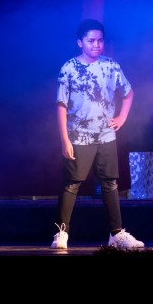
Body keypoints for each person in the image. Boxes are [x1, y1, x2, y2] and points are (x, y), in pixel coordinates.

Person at [50, 19, 144, 250]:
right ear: (80, 42)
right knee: (72, 184)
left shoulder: (111, 66)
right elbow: (61, 105)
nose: (96, 45)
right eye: (91, 40)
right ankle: (61, 232)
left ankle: (116, 234)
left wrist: (122, 117)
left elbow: (128, 92)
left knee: (110, 183)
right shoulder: (69, 68)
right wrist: (64, 139)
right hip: (78, 136)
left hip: (105, 136)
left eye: (100, 41)